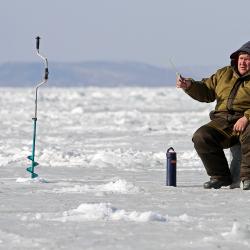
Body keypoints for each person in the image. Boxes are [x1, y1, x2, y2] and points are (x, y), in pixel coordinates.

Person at [176, 41, 250, 190]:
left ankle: (247, 178)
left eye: (248, 59)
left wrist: (247, 117)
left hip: (246, 120)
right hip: (223, 120)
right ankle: (220, 176)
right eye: (241, 58)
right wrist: (189, 85)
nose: (243, 62)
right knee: (202, 136)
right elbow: (206, 91)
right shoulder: (224, 73)